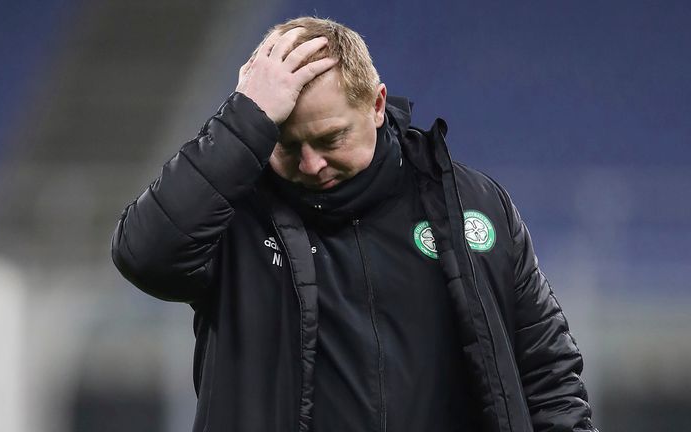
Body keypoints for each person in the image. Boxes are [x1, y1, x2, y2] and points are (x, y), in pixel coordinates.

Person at [111, 16, 597, 432]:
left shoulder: (473, 205)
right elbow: (145, 254)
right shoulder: (234, 215)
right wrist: (244, 119)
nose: (311, 164)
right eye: (284, 144)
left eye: (330, 138)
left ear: (378, 104)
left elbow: (549, 376)